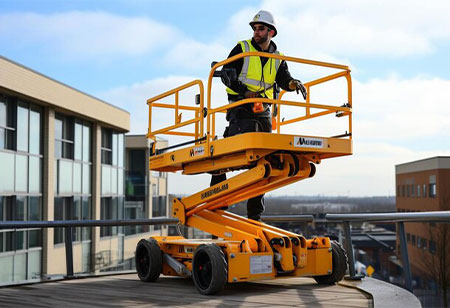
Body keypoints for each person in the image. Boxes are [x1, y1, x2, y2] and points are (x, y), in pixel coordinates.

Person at [211, 10, 307, 221]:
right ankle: (216, 203)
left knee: (263, 161)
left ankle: (255, 215)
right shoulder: (242, 48)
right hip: (241, 106)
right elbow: (227, 75)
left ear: (271, 32)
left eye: (261, 28)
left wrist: (293, 84)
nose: (256, 32)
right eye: (254, 28)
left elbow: (284, 79)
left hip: (263, 110)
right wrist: (245, 93)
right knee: (233, 150)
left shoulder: (277, 58)